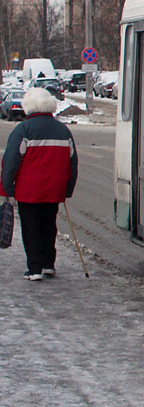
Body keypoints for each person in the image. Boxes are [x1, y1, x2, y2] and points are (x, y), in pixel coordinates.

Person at [2, 87, 78, 281]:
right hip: (54, 189)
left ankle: (34, 268)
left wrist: (7, 187)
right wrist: (68, 189)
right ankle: (48, 264)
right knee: (49, 225)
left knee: (31, 227)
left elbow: (11, 160)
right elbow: (72, 162)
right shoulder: (63, 130)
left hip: (28, 190)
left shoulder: (23, 130)